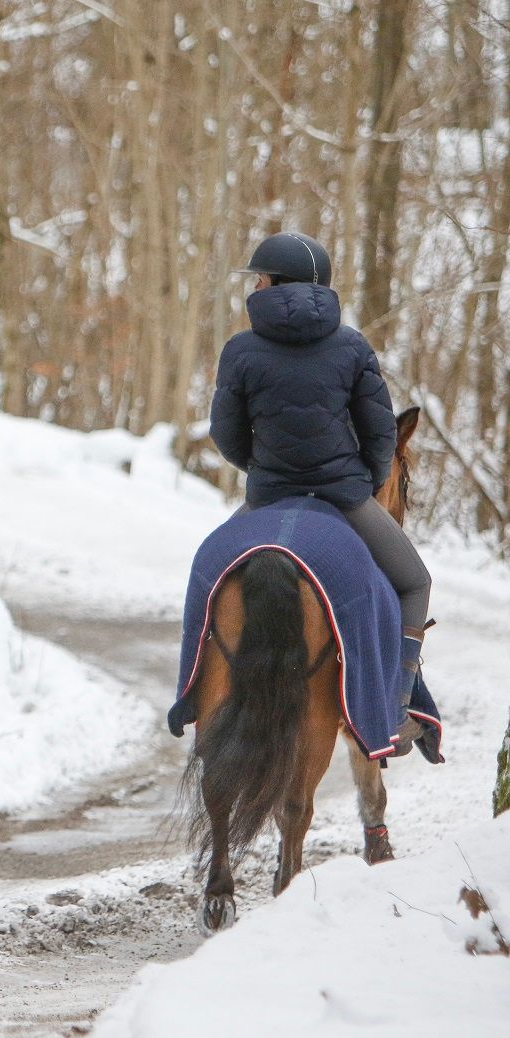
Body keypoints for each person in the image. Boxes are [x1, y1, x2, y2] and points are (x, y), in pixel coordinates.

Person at [209, 230, 431, 755]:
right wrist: (361, 480)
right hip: (346, 499)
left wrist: (261, 468)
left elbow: (226, 433)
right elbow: (380, 434)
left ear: (276, 282)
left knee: (211, 572)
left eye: (259, 276)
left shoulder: (239, 349)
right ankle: (395, 712)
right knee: (415, 583)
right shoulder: (352, 345)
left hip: (267, 497)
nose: (255, 283)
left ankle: (193, 694)